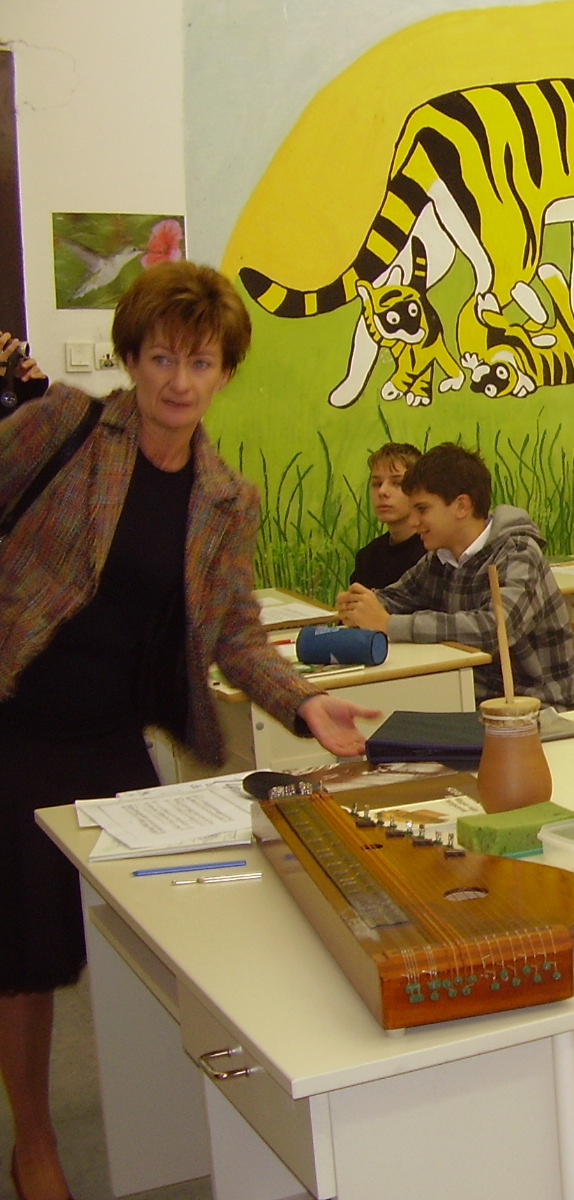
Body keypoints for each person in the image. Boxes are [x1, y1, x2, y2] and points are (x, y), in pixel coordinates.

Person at [0, 265, 374, 1200]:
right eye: (162, 358)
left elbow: (235, 632)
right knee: (27, 951)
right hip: (14, 721)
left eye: (199, 362)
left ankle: (168, 1134)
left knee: (157, 928)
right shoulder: (62, 427)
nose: (178, 380)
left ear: (223, 373)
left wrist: (302, 703)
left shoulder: (226, 498)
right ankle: (35, 1140)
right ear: (131, 358)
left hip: (109, 738)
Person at [337, 443, 574, 710]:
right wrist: (359, 606)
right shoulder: (440, 557)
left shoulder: (518, 553)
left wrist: (390, 624)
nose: (414, 521)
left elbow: (494, 628)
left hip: (534, 708)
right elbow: (396, 597)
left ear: (461, 506)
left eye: (423, 509)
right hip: (465, 699)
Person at [351, 441, 425, 588]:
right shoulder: (368, 557)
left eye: (397, 483)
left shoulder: (434, 554)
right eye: (377, 484)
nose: (382, 491)